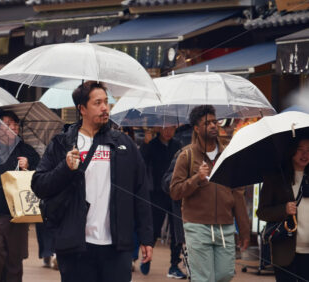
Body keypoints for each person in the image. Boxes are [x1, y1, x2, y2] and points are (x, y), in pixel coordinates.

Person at [31, 81, 153, 282]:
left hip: (117, 247)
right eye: (97, 103)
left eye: (106, 102)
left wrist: (147, 237)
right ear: (82, 109)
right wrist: (65, 168)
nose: (105, 108)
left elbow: (141, 192)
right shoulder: (62, 143)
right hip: (75, 247)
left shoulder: (124, 144)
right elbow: (39, 185)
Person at [170, 105, 250, 282]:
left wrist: (244, 231)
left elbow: (238, 194)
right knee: (203, 278)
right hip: (197, 227)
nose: (213, 125)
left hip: (225, 227)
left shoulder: (228, 155)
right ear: (197, 129)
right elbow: (175, 191)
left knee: (225, 274)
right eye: (207, 123)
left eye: (215, 121)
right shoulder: (186, 155)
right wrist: (197, 178)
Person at [0, 110, 40, 282]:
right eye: (8, 124)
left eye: (15, 124)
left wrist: (30, 164)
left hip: (18, 215)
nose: (13, 128)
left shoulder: (27, 151)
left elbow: (42, 175)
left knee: (14, 263)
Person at [257, 137, 309, 281]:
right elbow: (262, 212)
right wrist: (283, 209)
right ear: (291, 151)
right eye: (300, 150)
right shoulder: (276, 178)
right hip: (285, 251)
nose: (305, 155)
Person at [140, 126, 186, 279]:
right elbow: (141, 163)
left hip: (174, 193)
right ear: (158, 128)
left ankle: (174, 264)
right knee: (154, 228)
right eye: (165, 128)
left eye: (172, 128)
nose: (168, 131)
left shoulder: (178, 145)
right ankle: (147, 256)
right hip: (156, 194)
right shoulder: (151, 144)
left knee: (176, 230)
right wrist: (145, 145)